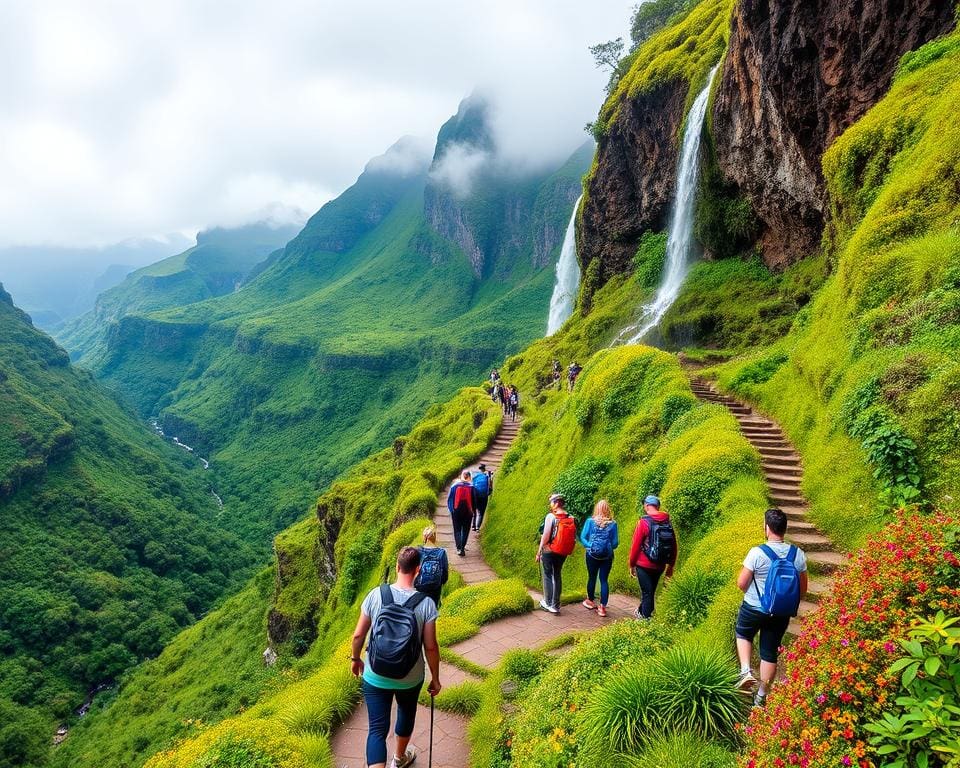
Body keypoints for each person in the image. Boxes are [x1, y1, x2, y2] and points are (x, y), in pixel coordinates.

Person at [350, 546, 441, 768]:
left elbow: (358, 634)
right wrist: (435, 679)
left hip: (375, 674)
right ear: (417, 570)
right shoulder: (426, 604)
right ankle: (399, 759)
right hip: (410, 677)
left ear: (397, 567)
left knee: (377, 730)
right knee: (406, 715)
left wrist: (355, 659)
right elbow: (430, 647)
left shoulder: (375, 595)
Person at [735, 508, 808, 708]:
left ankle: (745, 671)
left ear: (767, 528)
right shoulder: (798, 555)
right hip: (781, 612)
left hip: (753, 607)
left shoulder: (757, 553)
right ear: (785, 529)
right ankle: (761, 697)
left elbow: (742, 584)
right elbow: (802, 590)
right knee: (769, 651)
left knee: (743, 633)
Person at [628, 494, 677, 619]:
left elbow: (635, 546)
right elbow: (673, 545)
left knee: (647, 593)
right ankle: (641, 612)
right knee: (649, 592)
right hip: (660, 565)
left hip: (643, 565)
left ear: (646, 506)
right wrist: (670, 566)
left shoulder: (644, 522)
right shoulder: (667, 522)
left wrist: (632, 564)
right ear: (658, 506)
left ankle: (645, 622)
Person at [535, 493, 577, 614]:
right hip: (563, 551)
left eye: (551, 502)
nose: (550, 504)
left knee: (548, 575)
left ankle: (548, 603)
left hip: (549, 550)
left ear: (556, 503)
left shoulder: (551, 517)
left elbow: (545, 537)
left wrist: (539, 552)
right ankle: (556, 604)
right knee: (557, 575)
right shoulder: (571, 517)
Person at [580, 499, 619, 617]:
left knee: (592, 577)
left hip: (591, 555)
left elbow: (583, 537)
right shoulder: (613, 524)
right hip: (606, 557)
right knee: (603, 580)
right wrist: (606, 547)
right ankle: (602, 608)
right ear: (608, 510)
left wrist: (590, 546)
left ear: (596, 509)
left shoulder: (590, 521)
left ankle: (590, 601)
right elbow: (616, 543)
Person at [415, 526, 449, 608]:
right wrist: (441, 582)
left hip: (419, 586)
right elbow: (445, 573)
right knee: (432, 608)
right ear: (435, 537)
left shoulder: (418, 551)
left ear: (424, 537)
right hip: (435, 587)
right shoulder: (441, 552)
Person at [446, 470, 476, 556]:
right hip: (468, 512)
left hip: (456, 511)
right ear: (469, 477)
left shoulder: (454, 486)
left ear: (461, 476)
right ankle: (462, 547)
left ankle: (459, 548)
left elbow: (449, 499)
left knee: (457, 530)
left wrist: (452, 510)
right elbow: (474, 501)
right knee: (465, 530)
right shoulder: (472, 487)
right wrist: (473, 512)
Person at [471, 464, 493, 531]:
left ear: (479, 469)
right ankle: (477, 527)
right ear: (484, 470)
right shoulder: (487, 476)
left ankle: (473, 525)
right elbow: (490, 487)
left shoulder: (475, 476)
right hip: (483, 496)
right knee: (481, 512)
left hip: (475, 495)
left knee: (474, 511)